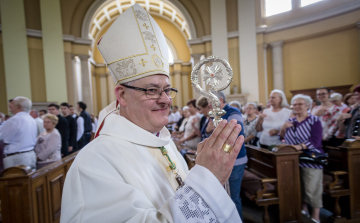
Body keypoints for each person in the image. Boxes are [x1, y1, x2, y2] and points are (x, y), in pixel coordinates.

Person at [60, 4, 244, 222]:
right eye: (152, 90)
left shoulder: (164, 143)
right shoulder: (95, 162)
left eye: (167, 90)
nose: (165, 99)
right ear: (121, 95)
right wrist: (207, 178)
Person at [201, 91, 246, 220]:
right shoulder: (212, 114)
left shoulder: (233, 112)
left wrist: (212, 131)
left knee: (232, 197)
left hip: (234, 161)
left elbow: (235, 135)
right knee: (221, 196)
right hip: (216, 160)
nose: (208, 104)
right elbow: (205, 135)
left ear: (220, 100)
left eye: (211, 101)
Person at [279, 94, 323, 223]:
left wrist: (297, 147)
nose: (297, 106)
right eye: (295, 104)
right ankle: (304, 209)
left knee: (312, 188)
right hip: (293, 160)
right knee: (299, 187)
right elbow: (282, 139)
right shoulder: (290, 121)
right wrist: (283, 128)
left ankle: (316, 216)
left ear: (308, 105)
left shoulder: (313, 120)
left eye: (300, 104)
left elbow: (316, 141)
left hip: (311, 159)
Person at [0, 97, 37, 170]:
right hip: (30, 154)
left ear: (19, 106)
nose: (9, 105)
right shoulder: (31, 119)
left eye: (12, 104)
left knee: (14, 180)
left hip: (17, 158)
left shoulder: (14, 120)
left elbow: (3, 139)